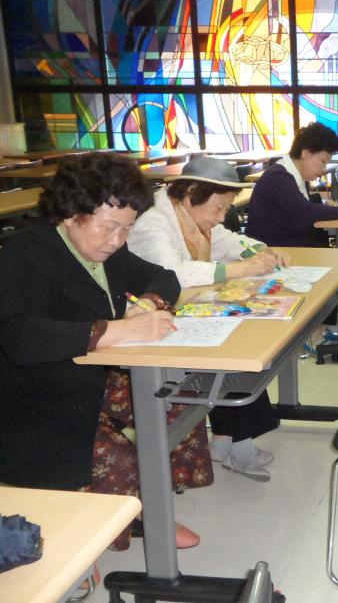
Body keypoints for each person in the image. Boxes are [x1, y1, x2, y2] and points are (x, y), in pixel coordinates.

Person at [0, 153, 208, 549]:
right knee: (121, 452)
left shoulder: (107, 251)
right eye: (110, 227)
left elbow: (163, 277)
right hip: (37, 400)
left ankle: (148, 507)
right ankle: (105, 524)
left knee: (177, 401)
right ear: (71, 214)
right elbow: (20, 337)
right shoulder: (27, 253)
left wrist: (148, 302)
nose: (117, 240)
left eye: (127, 229)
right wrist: (114, 330)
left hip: (90, 379)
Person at [128, 156, 289, 482]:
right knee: (233, 351)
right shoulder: (153, 221)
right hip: (150, 320)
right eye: (218, 208)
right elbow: (173, 273)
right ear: (190, 194)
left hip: (185, 307)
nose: (220, 217)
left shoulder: (192, 215)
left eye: (225, 209)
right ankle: (237, 443)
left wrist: (261, 251)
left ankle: (227, 440)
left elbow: (228, 240)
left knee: (241, 339)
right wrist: (238, 269)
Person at [246, 122, 338, 247]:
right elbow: (304, 213)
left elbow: (297, 208)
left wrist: (325, 207)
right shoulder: (278, 177)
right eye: (323, 161)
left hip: (288, 246)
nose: (323, 169)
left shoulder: (297, 175)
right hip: (273, 250)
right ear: (305, 153)